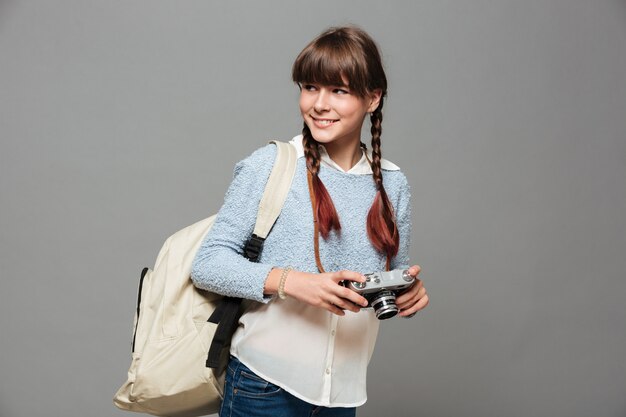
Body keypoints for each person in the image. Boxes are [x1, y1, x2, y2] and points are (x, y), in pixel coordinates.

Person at [191, 26, 429, 417]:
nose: (319, 104)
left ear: (372, 98)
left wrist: (409, 292)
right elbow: (209, 264)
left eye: (338, 90)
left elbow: (386, 277)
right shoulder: (270, 165)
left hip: (343, 394)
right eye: (309, 87)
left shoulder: (393, 184)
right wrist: (294, 282)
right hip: (263, 385)